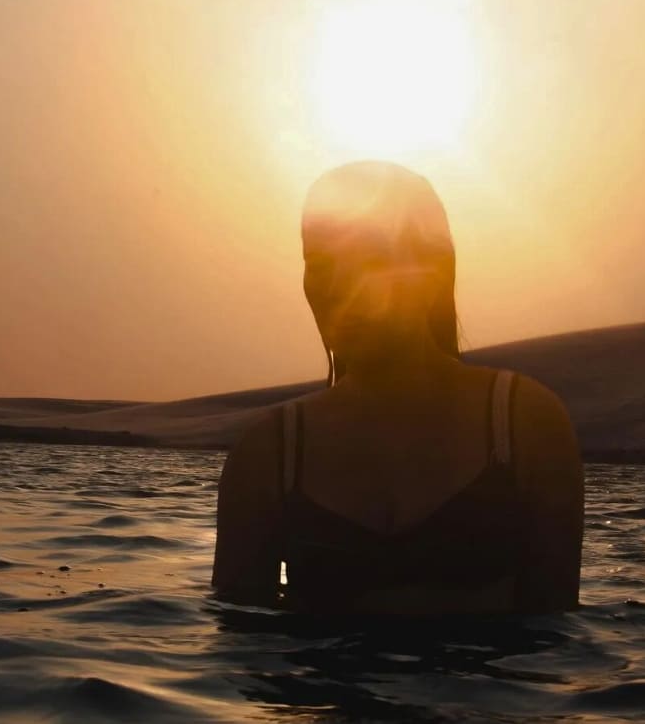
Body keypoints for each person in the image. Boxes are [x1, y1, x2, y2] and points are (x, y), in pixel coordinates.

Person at [212, 161, 583, 614]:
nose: (335, 286)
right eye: (319, 263)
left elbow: (557, 640)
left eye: (367, 258)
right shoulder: (267, 454)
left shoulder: (525, 426)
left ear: (432, 272)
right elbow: (238, 654)